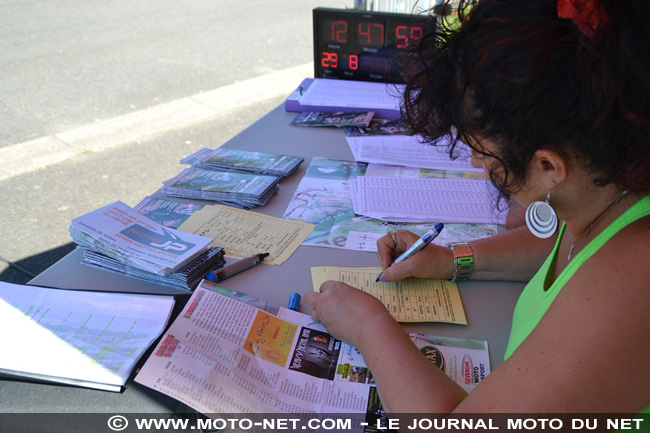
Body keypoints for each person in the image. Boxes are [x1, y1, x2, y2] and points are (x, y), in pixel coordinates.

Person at [304, 0, 650, 413]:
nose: (476, 163)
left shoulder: (630, 281)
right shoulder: (609, 194)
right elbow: (565, 248)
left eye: (483, 153)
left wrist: (369, 325)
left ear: (548, 166)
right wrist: (453, 260)